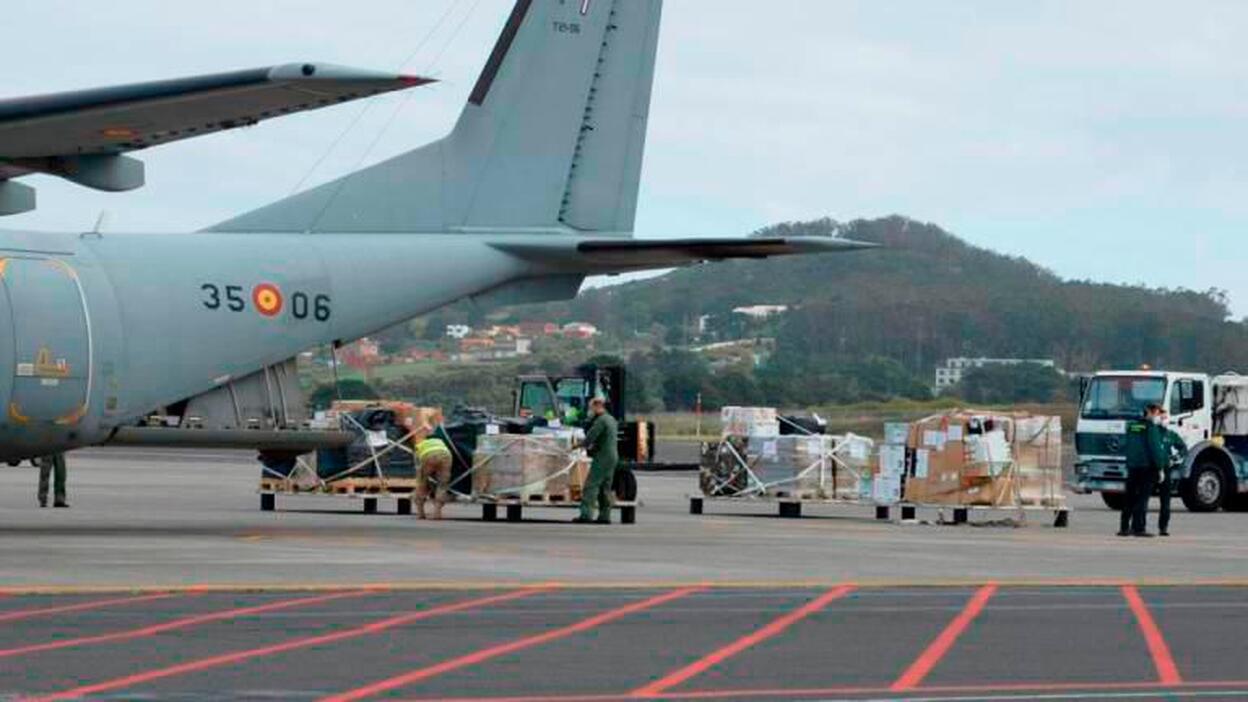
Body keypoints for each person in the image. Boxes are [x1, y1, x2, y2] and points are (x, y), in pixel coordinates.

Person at [1119, 404, 1167, 537]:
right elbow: (1155, 449)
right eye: (1158, 413)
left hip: (1132, 466)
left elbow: (1126, 445)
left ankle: (1124, 527)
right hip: (1147, 467)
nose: (1159, 416)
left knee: (1129, 497)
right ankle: (1139, 528)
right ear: (1150, 413)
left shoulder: (1131, 426)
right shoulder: (1150, 428)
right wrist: (1160, 467)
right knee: (1142, 498)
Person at [574, 397, 618, 524]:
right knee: (605, 487)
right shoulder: (611, 419)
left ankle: (586, 515)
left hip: (602, 456)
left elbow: (590, 438)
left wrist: (577, 445)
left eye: (591, 407)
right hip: (612, 456)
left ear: (597, 406)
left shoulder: (601, 421)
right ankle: (605, 516)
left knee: (591, 485)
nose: (590, 410)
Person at [1157, 411, 1188, 537]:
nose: (1165, 420)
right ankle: (1138, 526)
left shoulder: (1171, 435)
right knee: (1141, 499)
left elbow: (1183, 448)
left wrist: (1175, 458)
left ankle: (1163, 527)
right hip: (1152, 469)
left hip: (1166, 469)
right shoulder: (1152, 433)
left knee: (1165, 501)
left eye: (1166, 418)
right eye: (1162, 418)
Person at [415, 434, 453, 520]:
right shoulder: (441, 442)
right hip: (445, 455)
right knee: (442, 485)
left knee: (421, 483)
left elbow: (418, 467)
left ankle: (420, 513)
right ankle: (437, 513)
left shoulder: (420, 445)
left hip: (427, 455)